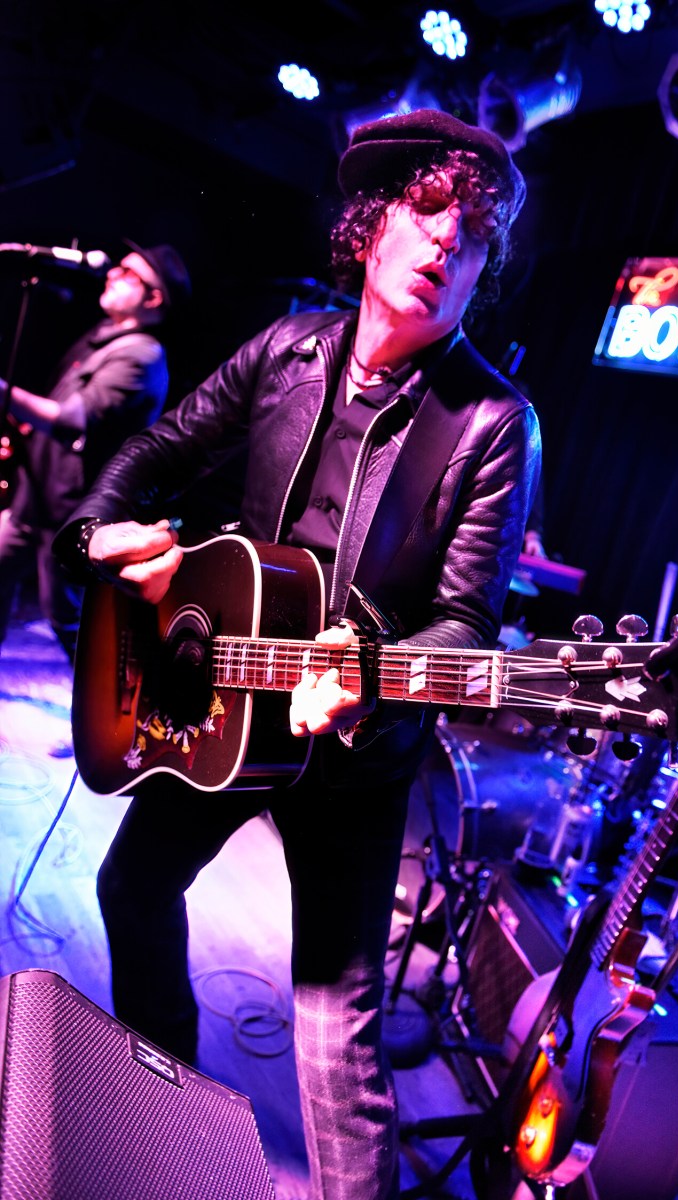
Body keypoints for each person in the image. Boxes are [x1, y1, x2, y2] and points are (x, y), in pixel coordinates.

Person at [53, 109, 541, 1200]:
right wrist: (97, 534)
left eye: (472, 241)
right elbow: (156, 448)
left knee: (336, 1033)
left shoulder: (493, 425)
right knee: (131, 886)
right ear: (373, 230)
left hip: (353, 755)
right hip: (221, 709)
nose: (445, 250)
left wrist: (365, 673)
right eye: (427, 219)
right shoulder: (286, 350)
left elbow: (468, 622)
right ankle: (166, 1106)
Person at [0, 242, 191, 666]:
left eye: (128, 272)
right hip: (35, 497)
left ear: (153, 297)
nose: (112, 274)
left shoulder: (141, 354)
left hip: (69, 511)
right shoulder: (103, 339)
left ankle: (107, 713)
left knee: (68, 617)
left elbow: (70, 418)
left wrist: (5, 394)